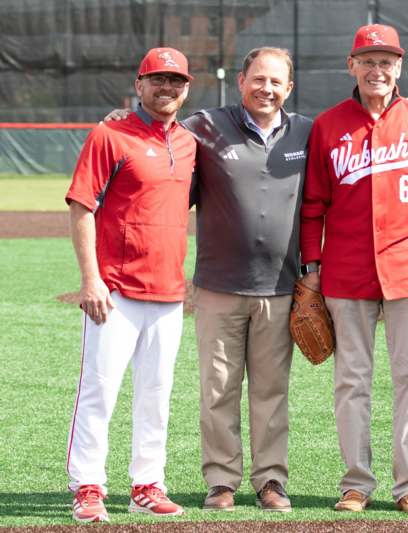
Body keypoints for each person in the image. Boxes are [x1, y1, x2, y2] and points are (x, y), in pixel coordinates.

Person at [104, 47, 311, 512]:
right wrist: (123, 116)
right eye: (258, 79)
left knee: (271, 391)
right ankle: (221, 480)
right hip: (218, 285)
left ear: (289, 88)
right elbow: (158, 127)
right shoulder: (206, 126)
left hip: (280, 287)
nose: (266, 89)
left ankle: (271, 480)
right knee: (218, 389)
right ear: (241, 81)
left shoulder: (306, 131)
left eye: (276, 82)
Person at [299, 23, 408, 514]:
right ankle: (356, 483)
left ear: (399, 67)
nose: (377, 70)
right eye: (367, 60)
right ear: (352, 65)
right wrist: (311, 268)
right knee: (352, 380)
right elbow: (313, 205)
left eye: (386, 61)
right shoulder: (328, 125)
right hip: (346, 271)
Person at [65, 47, 196, 522]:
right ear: (139, 85)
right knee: (99, 392)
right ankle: (87, 486)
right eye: (157, 79)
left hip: (169, 292)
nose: (167, 88)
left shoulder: (190, 142)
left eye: (176, 81)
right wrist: (91, 279)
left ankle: (147, 483)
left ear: (186, 89)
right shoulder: (109, 134)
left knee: (156, 395)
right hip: (115, 292)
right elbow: (82, 207)